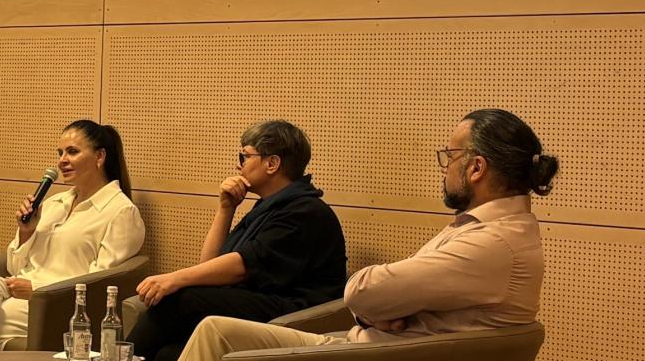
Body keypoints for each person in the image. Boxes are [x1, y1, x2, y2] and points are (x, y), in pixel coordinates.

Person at [175, 109, 560, 361]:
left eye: (450, 156)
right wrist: (385, 309)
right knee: (214, 330)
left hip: (373, 353)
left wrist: (378, 308)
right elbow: (392, 293)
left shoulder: (491, 243)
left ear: (476, 168)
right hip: (367, 342)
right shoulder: (490, 229)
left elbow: (362, 290)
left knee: (192, 312)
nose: (445, 167)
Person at [126, 120, 347, 361]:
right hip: (261, 300)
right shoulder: (268, 206)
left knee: (180, 299)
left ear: (272, 163)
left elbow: (243, 266)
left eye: (245, 156)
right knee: (167, 354)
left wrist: (174, 279)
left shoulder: (304, 211)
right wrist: (226, 208)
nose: (238, 165)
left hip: (291, 313)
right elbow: (209, 264)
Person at [0, 120, 146, 359]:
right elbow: (15, 267)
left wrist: (36, 290)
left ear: (100, 157)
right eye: (60, 153)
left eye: (72, 152)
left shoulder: (121, 212)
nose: (62, 160)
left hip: (54, 304)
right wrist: (26, 231)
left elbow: (98, 285)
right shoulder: (54, 203)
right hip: (17, 292)